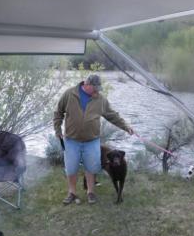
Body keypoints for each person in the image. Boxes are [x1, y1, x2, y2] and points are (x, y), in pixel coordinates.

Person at [53, 74, 134, 204]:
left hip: (92, 140)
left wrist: (126, 127)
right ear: (87, 84)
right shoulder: (69, 94)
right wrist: (57, 129)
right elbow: (58, 112)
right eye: (95, 88)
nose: (97, 91)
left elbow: (112, 115)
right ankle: (72, 193)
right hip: (71, 139)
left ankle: (90, 192)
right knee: (71, 167)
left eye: (98, 88)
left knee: (92, 167)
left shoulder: (100, 99)